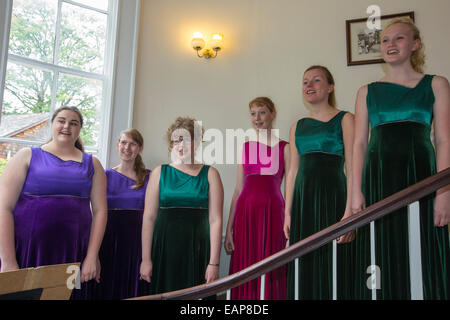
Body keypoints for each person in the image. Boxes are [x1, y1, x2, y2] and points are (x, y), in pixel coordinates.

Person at [351, 17, 450, 300]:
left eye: (399, 38)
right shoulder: (367, 91)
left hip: (423, 176)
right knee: (380, 248)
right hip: (378, 178)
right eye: (385, 40)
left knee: (423, 248)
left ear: (415, 45)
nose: (390, 44)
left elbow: (444, 140)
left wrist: (444, 192)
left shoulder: (437, 84)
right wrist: (356, 192)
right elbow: (358, 144)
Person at [0, 106, 107, 300]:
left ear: (79, 129)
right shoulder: (27, 155)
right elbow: (3, 208)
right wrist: (7, 261)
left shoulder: (93, 164)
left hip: (72, 255)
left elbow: (100, 212)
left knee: (67, 296)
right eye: (61, 120)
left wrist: (92, 256)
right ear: (52, 124)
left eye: (73, 123)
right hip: (28, 252)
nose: (66, 126)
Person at [285, 65, 355, 300]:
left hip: (333, 196)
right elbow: (292, 172)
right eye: (305, 81)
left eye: (316, 80)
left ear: (330, 87)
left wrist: (350, 211)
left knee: (334, 262)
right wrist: (288, 213)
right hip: (303, 203)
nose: (309, 85)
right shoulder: (297, 126)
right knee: (304, 262)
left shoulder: (346, 119)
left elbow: (354, 167)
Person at [140, 117, 223, 295]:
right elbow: (149, 217)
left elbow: (215, 220)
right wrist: (146, 259)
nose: (180, 145)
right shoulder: (159, 172)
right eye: (176, 140)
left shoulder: (211, 174)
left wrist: (214, 262)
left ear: (197, 141)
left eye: (186, 139)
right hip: (164, 250)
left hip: (198, 250)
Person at [225, 97, 289, 300]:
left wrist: (289, 218)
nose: (257, 117)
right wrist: (229, 229)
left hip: (273, 211)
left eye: (262, 112)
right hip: (246, 212)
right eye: (253, 113)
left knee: (272, 261)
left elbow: (290, 186)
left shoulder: (286, 147)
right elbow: (237, 189)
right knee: (246, 264)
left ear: (273, 114)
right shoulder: (245, 147)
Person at [95, 129, 151, 299]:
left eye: (133, 144)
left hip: (137, 240)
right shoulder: (105, 175)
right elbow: (96, 212)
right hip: (109, 239)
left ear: (140, 148)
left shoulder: (149, 177)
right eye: (124, 143)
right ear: (117, 145)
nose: (127, 148)